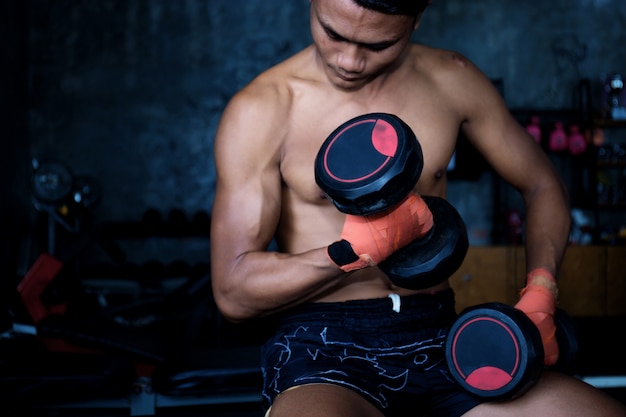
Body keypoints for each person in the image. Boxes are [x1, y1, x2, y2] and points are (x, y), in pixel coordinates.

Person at [210, 0, 626, 416]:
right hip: (323, 347)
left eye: (379, 44)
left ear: (417, 17)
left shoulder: (451, 79)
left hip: (439, 335)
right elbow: (233, 292)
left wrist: (541, 290)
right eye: (333, 33)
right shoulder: (263, 109)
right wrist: (348, 254)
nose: (350, 60)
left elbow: (542, 184)